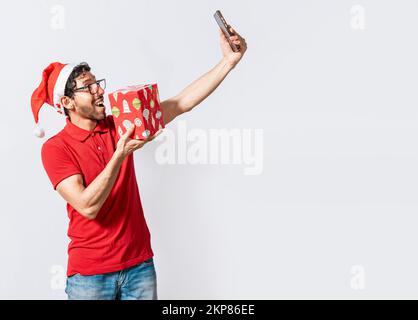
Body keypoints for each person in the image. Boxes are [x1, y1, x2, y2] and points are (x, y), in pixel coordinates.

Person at [31, 27, 247, 300]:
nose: (99, 90)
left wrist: (228, 62)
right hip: (89, 277)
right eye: (89, 86)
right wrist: (119, 155)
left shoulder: (119, 125)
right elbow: (87, 205)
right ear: (67, 102)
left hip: (139, 267)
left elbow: (180, 104)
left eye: (98, 82)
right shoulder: (55, 148)